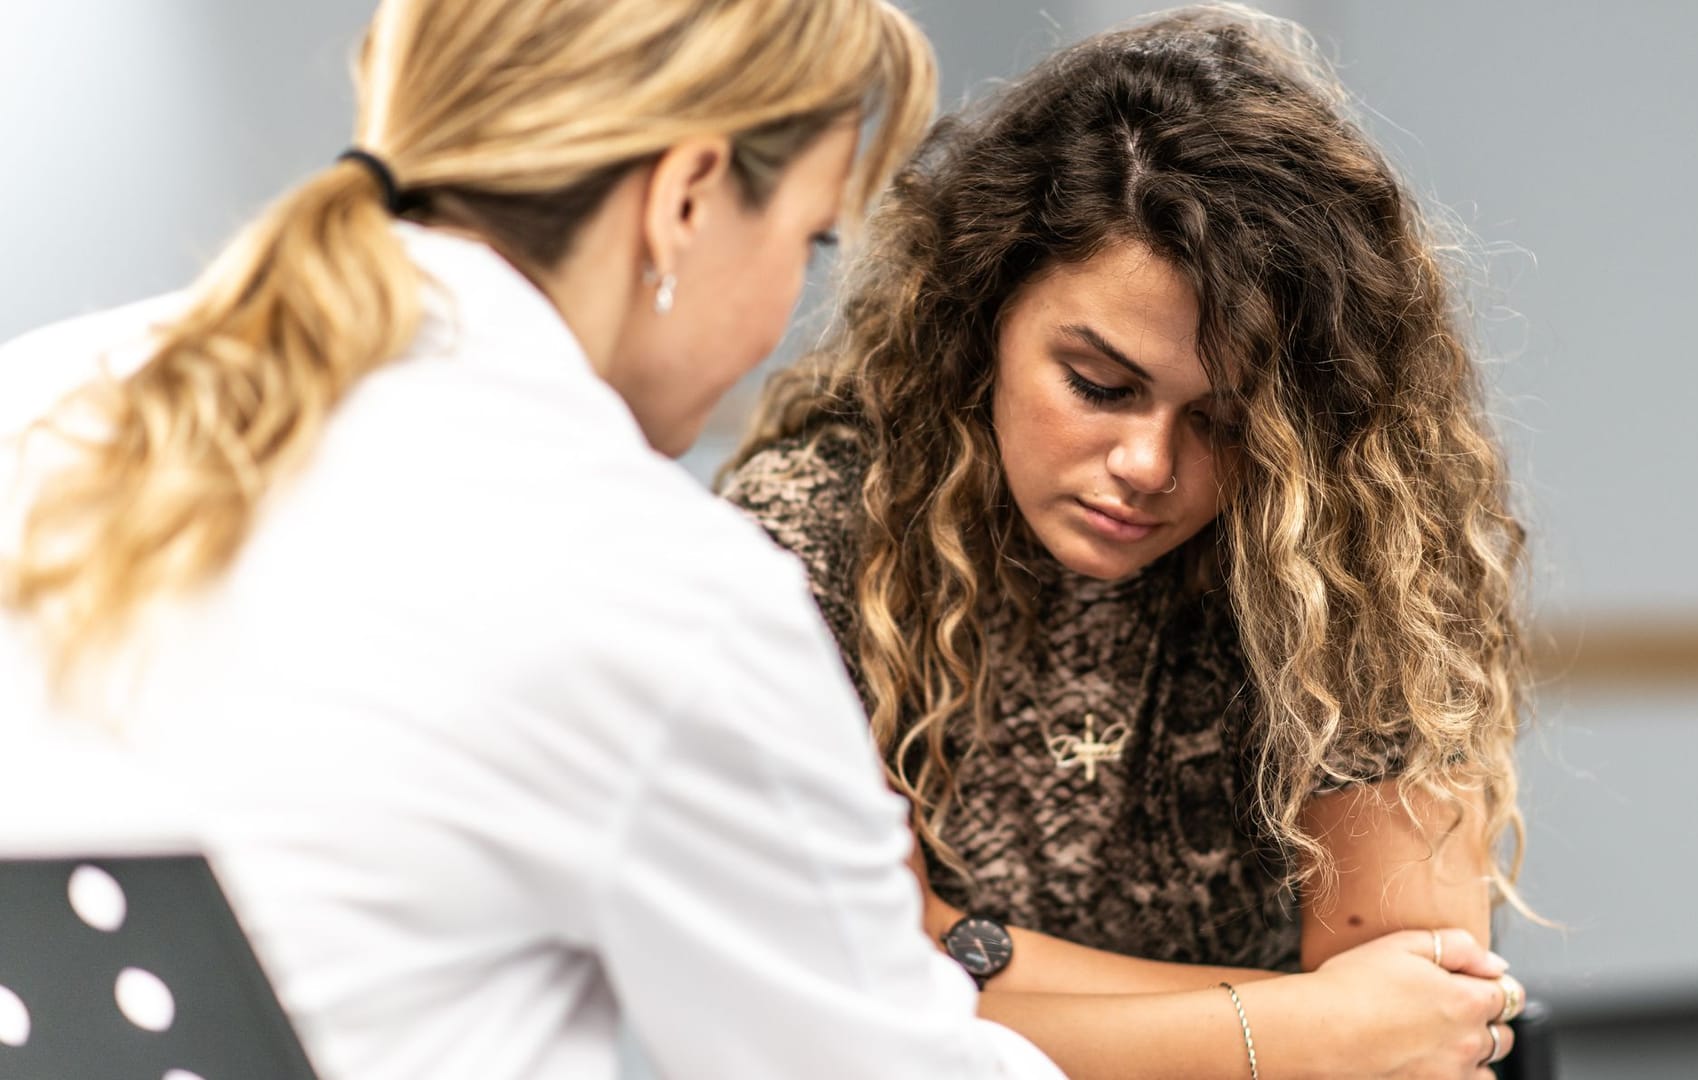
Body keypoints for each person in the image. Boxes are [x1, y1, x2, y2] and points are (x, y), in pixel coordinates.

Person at [0, 2, 1068, 1078]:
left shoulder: (35, 396)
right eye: (810, 239)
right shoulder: (653, 581)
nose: (791, 300)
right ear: (686, 197)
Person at [723, 5, 1533, 1077]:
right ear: (987, 311)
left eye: (1227, 421)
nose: (1149, 465)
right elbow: (837, 1012)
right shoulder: (809, 535)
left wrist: (970, 957)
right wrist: (1310, 1029)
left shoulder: (1353, 539)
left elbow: (1425, 1015)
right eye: (1100, 386)